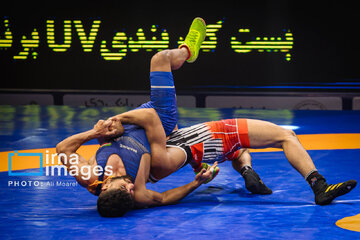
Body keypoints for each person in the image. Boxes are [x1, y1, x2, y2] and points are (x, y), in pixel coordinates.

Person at [56, 17, 235, 217]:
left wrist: (95, 132)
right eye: (131, 193)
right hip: (156, 121)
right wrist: (196, 184)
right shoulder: (137, 194)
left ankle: (195, 162)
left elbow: (63, 148)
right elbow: (164, 198)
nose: (131, 187)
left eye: (125, 188)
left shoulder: (88, 176)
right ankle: (188, 50)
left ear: (104, 188)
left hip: (135, 124)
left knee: (168, 102)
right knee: (160, 59)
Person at [113, 108, 357, 207]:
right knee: (287, 136)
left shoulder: (144, 179)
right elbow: (153, 116)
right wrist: (115, 120)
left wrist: (199, 180)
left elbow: (163, 196)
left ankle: (247, 171)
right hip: (215, 134)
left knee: (236, 152)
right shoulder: (148, 157)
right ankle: (319, 186)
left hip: (204, 152)